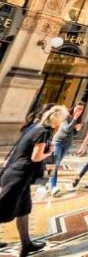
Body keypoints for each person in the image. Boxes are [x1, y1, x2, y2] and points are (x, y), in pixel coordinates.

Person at [0, 105, 67, 256]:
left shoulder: (38, 128)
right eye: (62, 119)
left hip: (20, 175)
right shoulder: (44, 131)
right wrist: (49, 152)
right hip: (18, 175)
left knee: (24, 210)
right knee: (4, 209)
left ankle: (26, 244)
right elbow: (35, 157)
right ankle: (26, 244)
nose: (63, 122)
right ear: (56, 119)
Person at [48, 101, 84, 195]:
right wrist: (75, 119)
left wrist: (77, 130)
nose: (79, 110)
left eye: (81, 109)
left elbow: (73, 133)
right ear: (74, 107)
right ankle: (53, 187)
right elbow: (66, 129)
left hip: (67, 144)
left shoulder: (78, 119)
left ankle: (48, 182)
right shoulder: (66, 116)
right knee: (54, 163)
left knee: (56, 163)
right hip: (58, 142)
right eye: (77, 108)